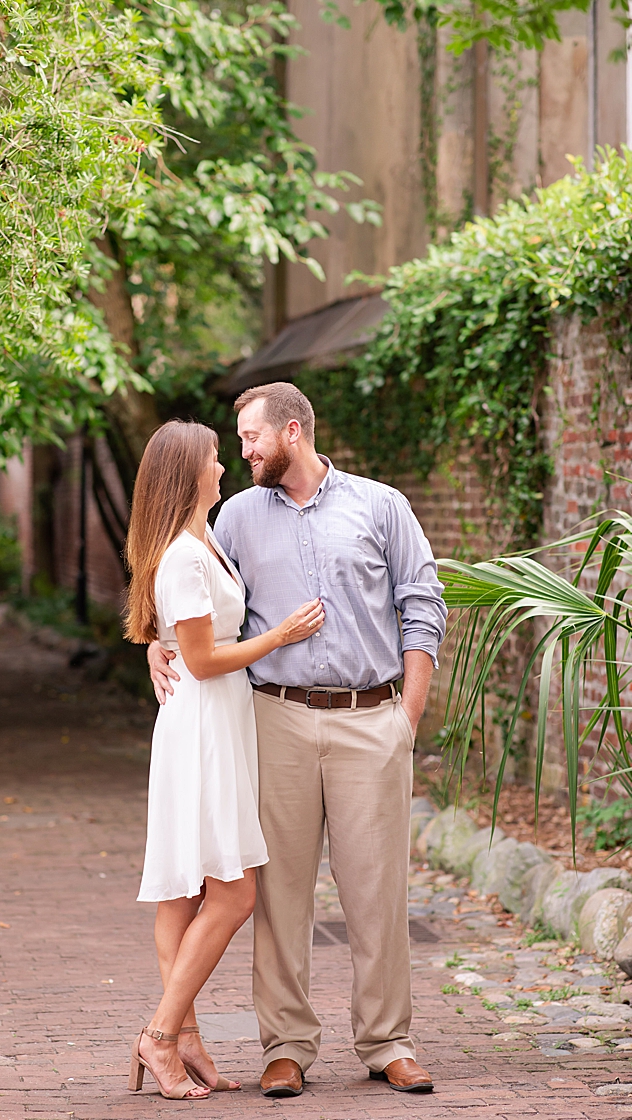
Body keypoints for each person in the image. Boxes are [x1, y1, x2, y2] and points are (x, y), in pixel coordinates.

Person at [148, 382, 446, 1097]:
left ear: (291, 431)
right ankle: (285, 1047)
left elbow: (422, 603)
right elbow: (192, 595)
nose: (243, 451)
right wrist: (156, 645)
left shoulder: (381, 506)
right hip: (272, 720)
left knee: (377, 889)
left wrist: (406, 714)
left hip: (370, 716)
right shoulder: (238, 518)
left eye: (250, 437)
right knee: (278, 893)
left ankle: (387, 1042)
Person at [125, 420, 325, 1100]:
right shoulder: (184, 553)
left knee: (186, 889)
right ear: (190, 475)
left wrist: (159, 643)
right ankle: (159, 1037)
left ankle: (183, 1039)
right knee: (231, 891)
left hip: (217, 723)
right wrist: (280, 635)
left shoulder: (203, 538)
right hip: (205, 725)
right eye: (215, 458)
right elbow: (205, 660)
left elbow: (179, 638)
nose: (224, 465)